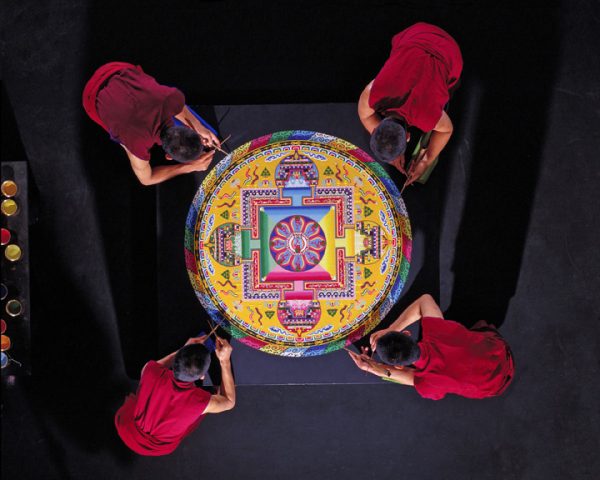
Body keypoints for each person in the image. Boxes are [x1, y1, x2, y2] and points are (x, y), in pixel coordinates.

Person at [347, 294, 514, 400]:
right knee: (480, 325)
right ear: (407, 334)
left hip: (492, 386)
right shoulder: (439, 332)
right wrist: (391, 328)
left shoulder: (429, 385)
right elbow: (425, 299)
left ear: (400, 364)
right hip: (497, 352)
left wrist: (371, 367)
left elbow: (407, 376)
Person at [358, 23, 463, 185]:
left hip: (448, 51)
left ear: (408, 137)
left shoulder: (426, 116)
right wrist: (390, 147)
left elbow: (446, 130)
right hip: (417, 32)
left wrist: (426, 160)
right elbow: (365, 116)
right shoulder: (373, 94)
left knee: (450, 88)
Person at [82, 62, 219, 185]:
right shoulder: (137, 144)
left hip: (114, 69)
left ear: (189, 128)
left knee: (155, 94)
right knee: (125, 140)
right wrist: (191, 167)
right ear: (168, 156)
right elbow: (146, 179)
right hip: (91, 96)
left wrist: (199, 126)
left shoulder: (173, 99)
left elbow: (180, 109)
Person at [115, 335, 236, 455]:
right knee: (214, 395)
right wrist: (224, 361)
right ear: (202, 376)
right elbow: (229, 401)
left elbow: (165, 363)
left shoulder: (150, 369)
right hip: (155, 445)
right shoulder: (199, 402)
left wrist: (184, 349)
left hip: (127, 427)